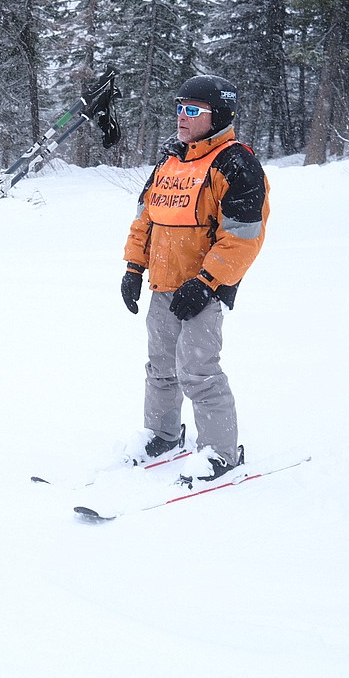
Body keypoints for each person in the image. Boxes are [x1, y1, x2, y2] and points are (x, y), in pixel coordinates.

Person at [119, 75, 269, 483]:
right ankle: (163, 434)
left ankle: (220, 453)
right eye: (178, 108)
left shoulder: (236, 163)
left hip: (203, 290)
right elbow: (145, 217)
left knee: (199, 371)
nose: (180, 118)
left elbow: (242, 237)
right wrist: (134, 267)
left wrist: (206, 282)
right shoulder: (170, 159)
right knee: (160, 367)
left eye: (191, 110)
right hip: (163, 285)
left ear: (217, 115)